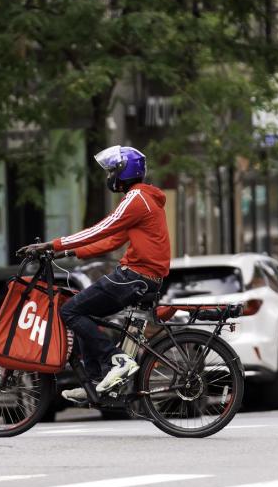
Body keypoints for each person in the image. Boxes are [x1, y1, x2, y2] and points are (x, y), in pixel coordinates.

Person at [23, 145, 170, 403]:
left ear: (124, 172)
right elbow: (111, 241)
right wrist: (68, 254)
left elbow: (102, 229)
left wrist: (52, 244)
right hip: (144, 277)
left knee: (69, 311)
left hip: (134, 276)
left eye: (112, 170)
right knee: (83, 313)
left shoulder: (136, 199)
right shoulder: (144, 201)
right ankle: (94, 382)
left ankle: (117, 361)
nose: (109, 176)